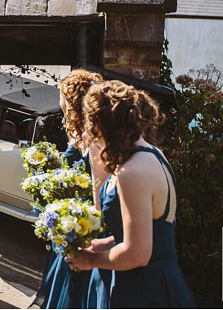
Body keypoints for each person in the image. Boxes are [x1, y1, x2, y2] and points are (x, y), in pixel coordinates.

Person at [67, 81, 197, 308]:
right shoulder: (151, 154)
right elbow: (149, 233)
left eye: (90, 123)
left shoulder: (132, 171)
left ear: (99, 123)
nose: (88, 132)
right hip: (155, 280)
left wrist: (91, 260)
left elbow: (137, 253)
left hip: (144, 290)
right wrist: (102, 245)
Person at [32, 69, 104, 309]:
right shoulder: (75, 132)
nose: (59, 101)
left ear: (71, 100)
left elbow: (96, 184)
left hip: (81, 220)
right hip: (66, 215)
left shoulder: (92, 137)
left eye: (62, 96)